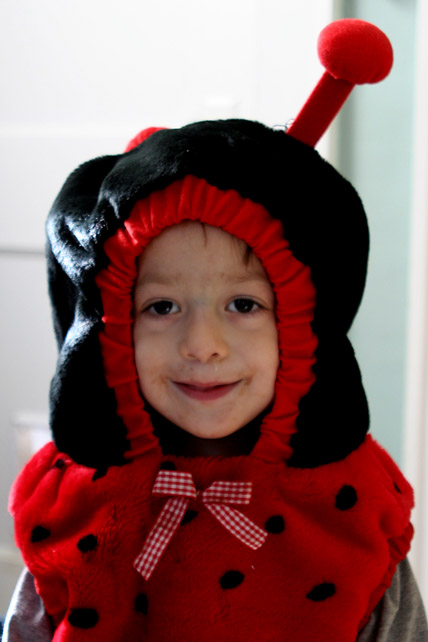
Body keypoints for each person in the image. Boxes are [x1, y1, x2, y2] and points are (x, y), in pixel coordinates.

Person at [4, 18, 428, 642]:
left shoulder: (348, 511)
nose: (203, 345)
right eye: (162, 307)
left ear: (307, 325)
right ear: (107, 328)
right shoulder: (78, 502)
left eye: (244, 304)